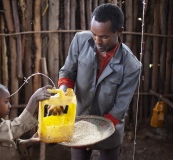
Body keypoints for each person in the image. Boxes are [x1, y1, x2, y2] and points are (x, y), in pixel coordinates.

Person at [58, 3, 142, 160]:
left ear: (119, 31)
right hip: (79, 121)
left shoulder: (131, 66)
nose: (97, 40)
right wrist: (62, 91)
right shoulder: (80, 40)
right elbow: (68, 71)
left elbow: (120, 107)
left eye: (104, 36)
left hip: (110, 126)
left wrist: (96, 134)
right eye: (94, 34)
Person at [0, 82, 52, 160]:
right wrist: (34, 99)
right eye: (6, 102)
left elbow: (12, 146)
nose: (10, 106)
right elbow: (14, 129)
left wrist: (31, 141)